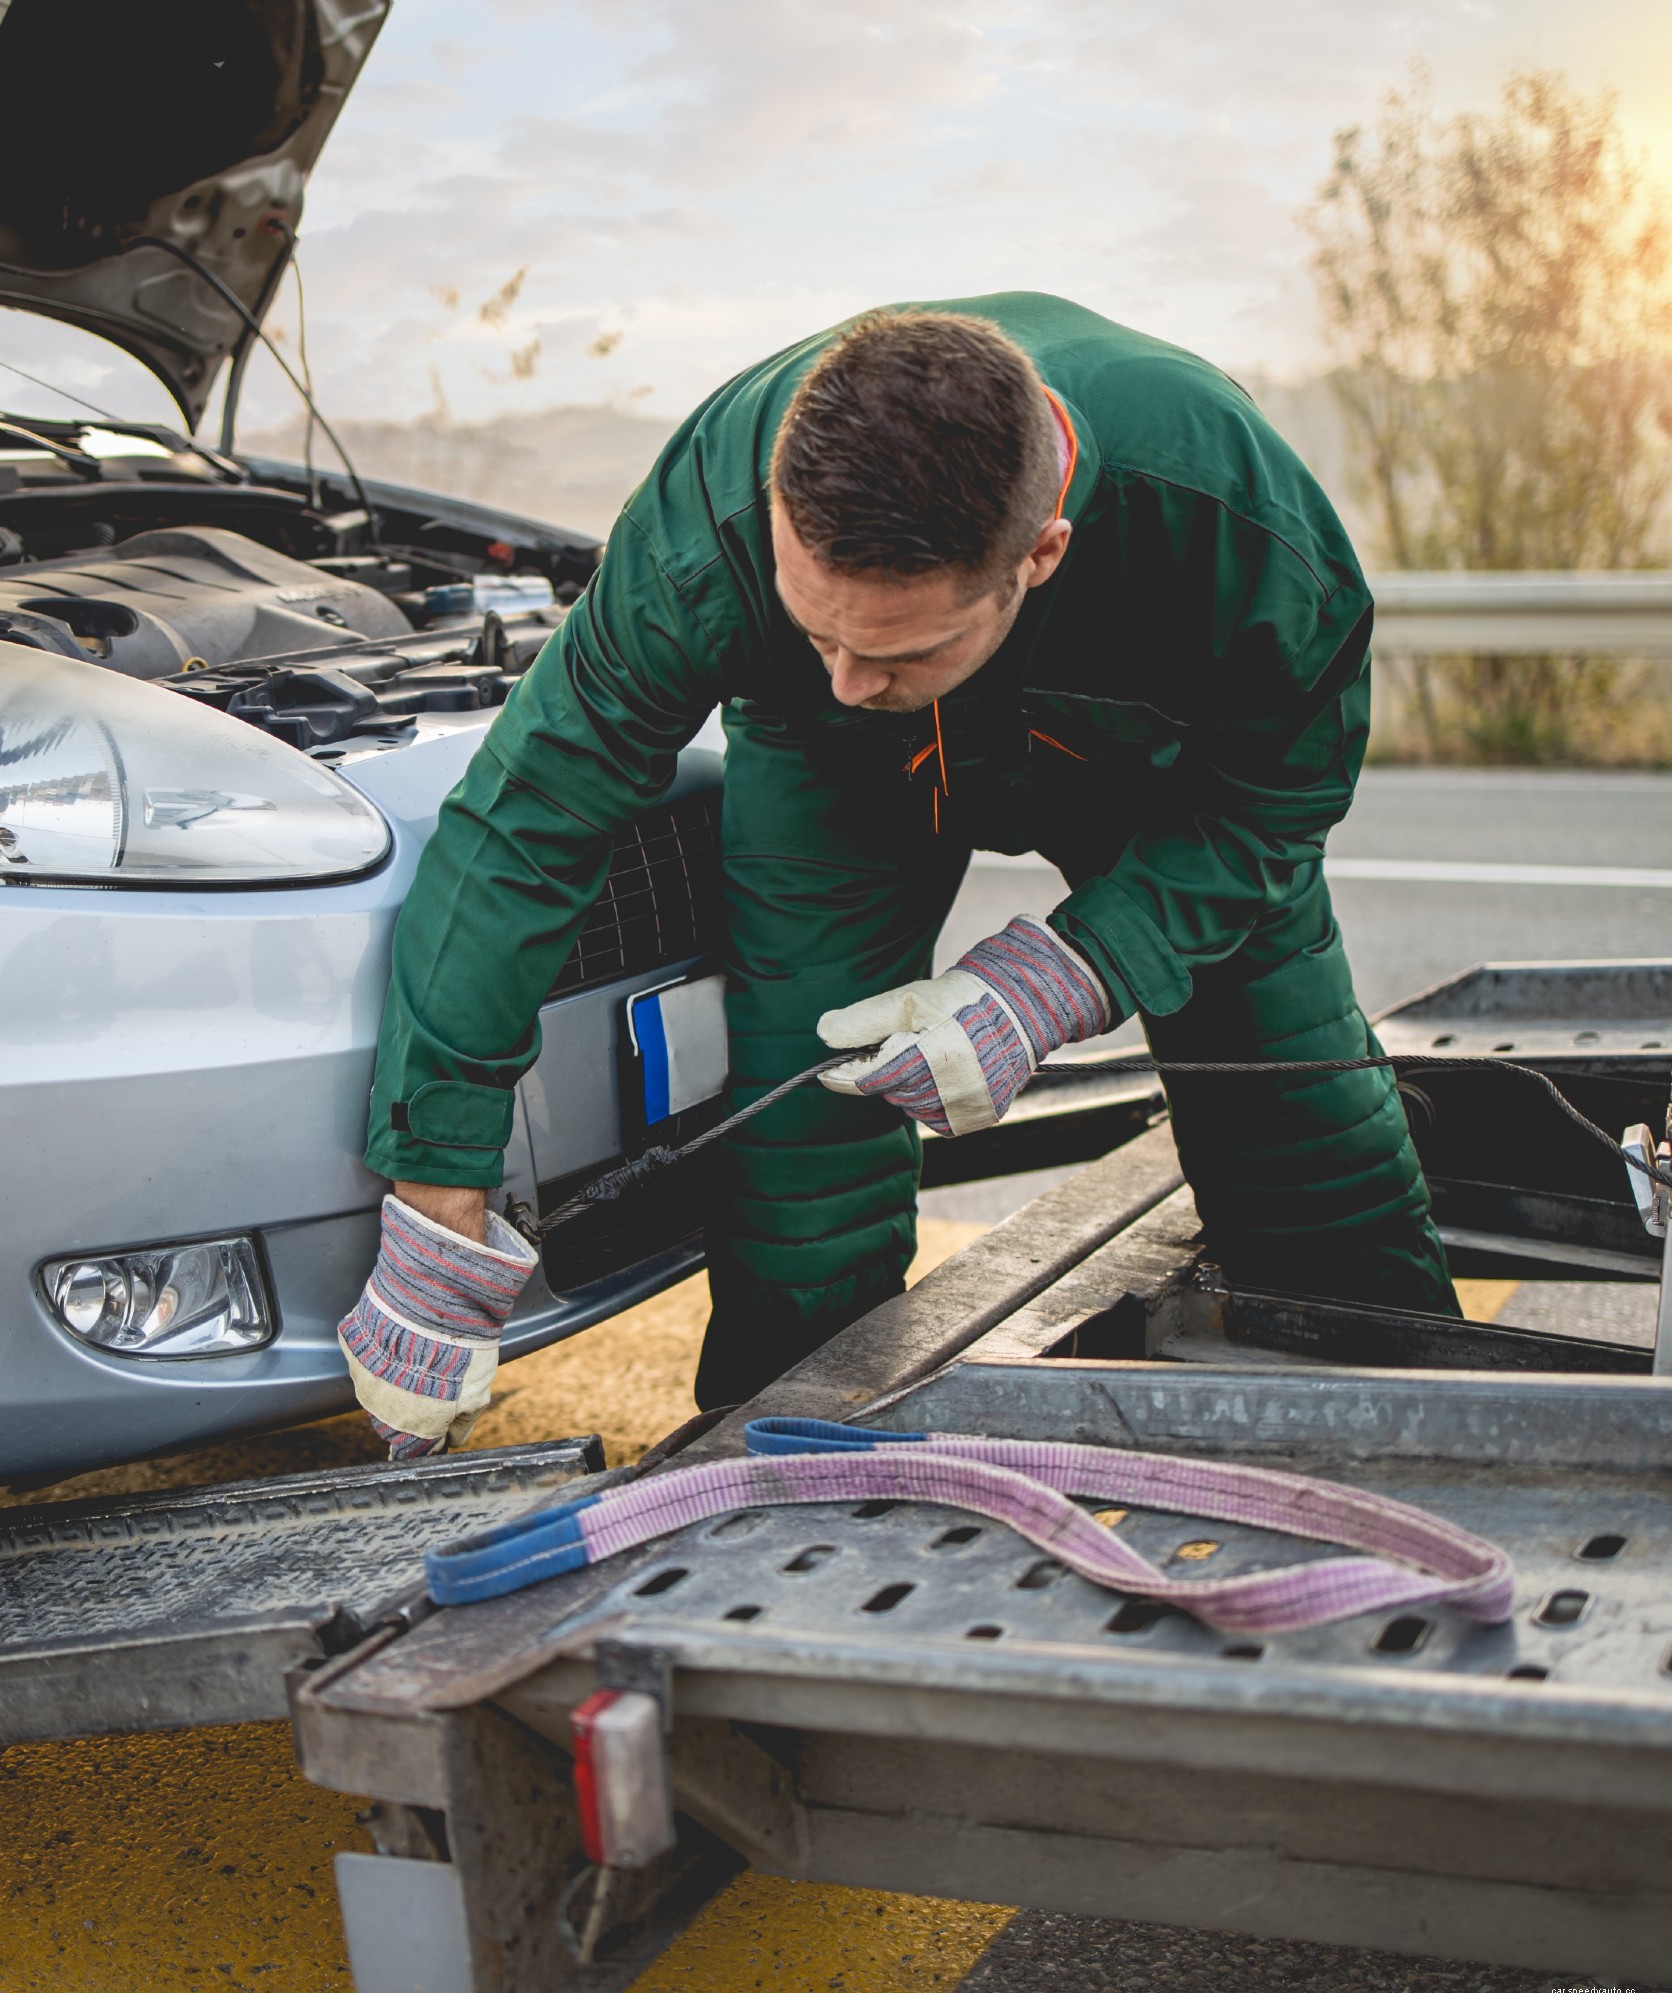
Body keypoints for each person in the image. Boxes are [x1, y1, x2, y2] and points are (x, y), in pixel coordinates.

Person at [336, 293, 1457, 1460]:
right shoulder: (710, 519)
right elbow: (531, 812)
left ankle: (1423, 1440)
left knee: (1295, 1106)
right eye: (812, 626)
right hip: (836, 782)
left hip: (1154, 771)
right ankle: (786, 1472)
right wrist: (436, 1189)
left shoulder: (1220, 504)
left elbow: (1278, 787)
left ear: (1040, 554)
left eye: (894, 647)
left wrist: (1069, 972)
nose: (841, 675)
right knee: (803, 1126)